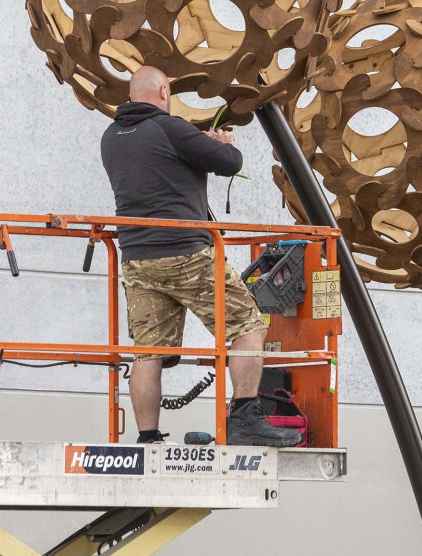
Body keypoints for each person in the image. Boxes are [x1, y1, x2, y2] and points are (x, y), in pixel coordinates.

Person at [101, 66, 299, 447]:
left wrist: (195, 144)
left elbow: (160, 166)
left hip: (136, 259)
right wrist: (222, 142)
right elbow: (230, 162)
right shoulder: (170, 127)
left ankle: (147, 437)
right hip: (185, 253)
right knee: (248, 324)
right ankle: (244, 418)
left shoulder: (112, 137)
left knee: (148, 349)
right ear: (163, 90)